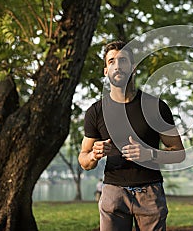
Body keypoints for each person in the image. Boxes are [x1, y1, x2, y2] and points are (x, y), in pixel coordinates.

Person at [78, 40, 185, 231]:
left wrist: (149, 154)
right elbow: (84, 160)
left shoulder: (155, 107)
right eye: (111, 61)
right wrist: (94, 154)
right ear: (106, 71)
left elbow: (179, 153)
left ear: (133, 67)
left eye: (123, 61)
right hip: (113, 193)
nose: (117, 66)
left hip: (150, 192)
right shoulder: (95, 111)